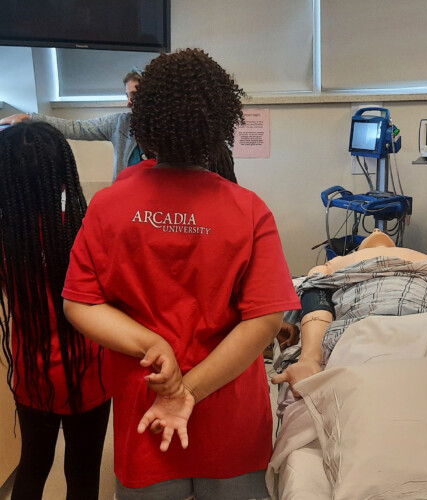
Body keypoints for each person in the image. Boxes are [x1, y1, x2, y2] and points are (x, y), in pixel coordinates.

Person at [62, 48, 300, 500]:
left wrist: (154, 349)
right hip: (229, 416)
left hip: (147, 411)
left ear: (144, 119)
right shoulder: (248, 210)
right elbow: (264, 320)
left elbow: (80, 302)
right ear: (220, 121)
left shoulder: (108, 206)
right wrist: (188, 392)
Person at [0, 122, 112, 500]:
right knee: (83, 474)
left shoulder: (9, 239)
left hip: (32, 375)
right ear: (64, 177)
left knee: (33, 466)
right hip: (90, 374)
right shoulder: (87, 232)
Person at [272, 229, 427, 392]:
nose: (376, 229)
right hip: (363, 327)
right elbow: (316, 295)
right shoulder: (339, 263)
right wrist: (309, 358)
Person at [0, 70, 144, 181]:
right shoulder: (119, 123)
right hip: (125, 200)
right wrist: (29, 118)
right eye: (127, 96)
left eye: (134, 95)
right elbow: (76, 128)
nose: (128, 103)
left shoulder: (165, 130)